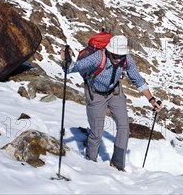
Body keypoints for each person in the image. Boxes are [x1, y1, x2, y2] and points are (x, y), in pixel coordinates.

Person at [63, 34, 162, 171]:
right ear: (109, 50)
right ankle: (90, 164)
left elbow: (137, 80)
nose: (117, 59)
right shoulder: (98, 57)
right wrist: (66, 59)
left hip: (115, 92)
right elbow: (72, 68)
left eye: (120, 56)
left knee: (124, 127)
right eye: (115, 55)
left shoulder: (126, 59)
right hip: (95, 94)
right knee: (97, 131)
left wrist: (151, 100)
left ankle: (117, 165)